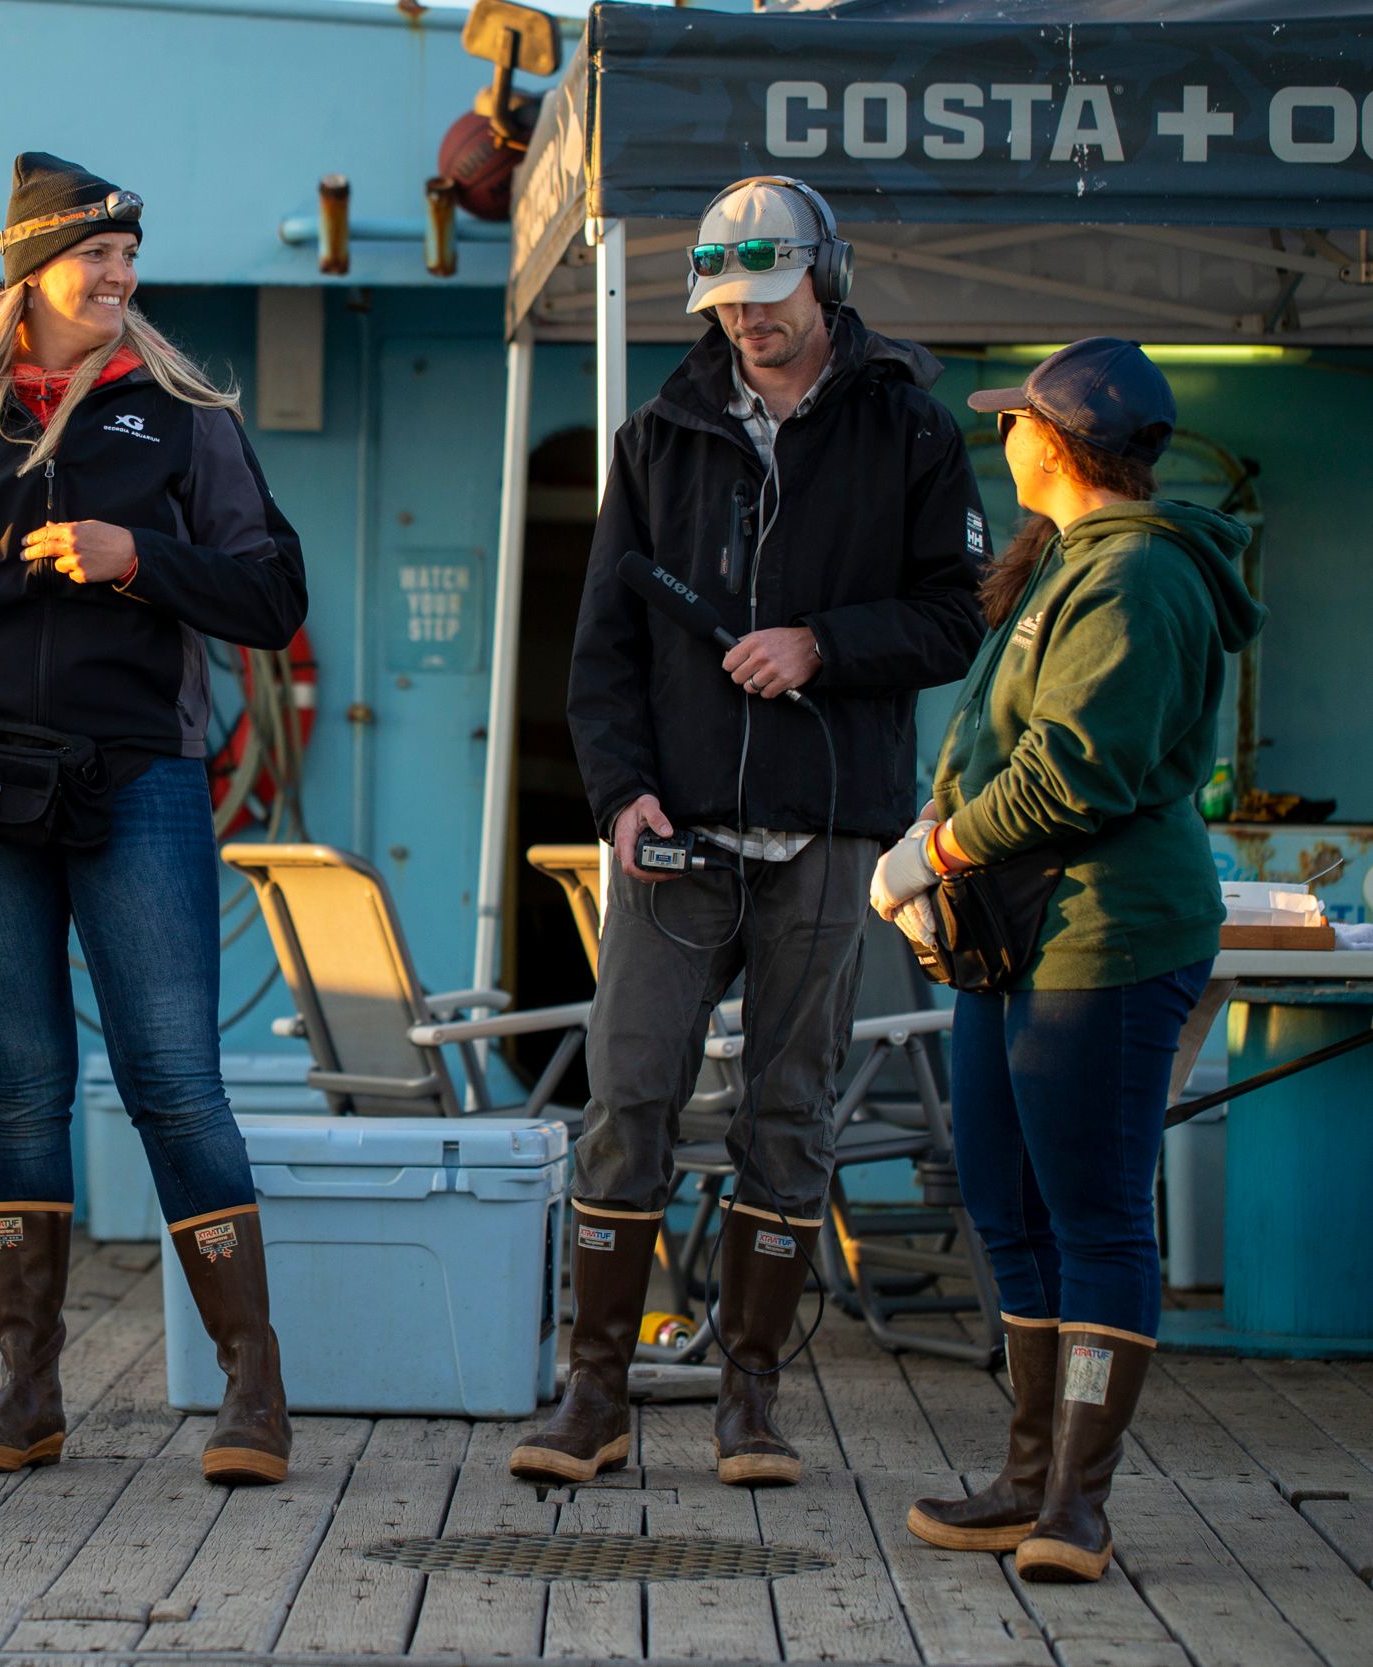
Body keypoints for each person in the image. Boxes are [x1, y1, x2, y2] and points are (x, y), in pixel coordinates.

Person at [0, 153, 308, 1487]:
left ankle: (253, 1385)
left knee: (171, 1074)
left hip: (137, 779)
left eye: (132, 258)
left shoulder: (182, 415)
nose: (122, 279)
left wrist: (139, 557)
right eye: (98, 258)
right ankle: (29, 1387)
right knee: (16, 1081)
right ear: (30, 272)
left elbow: (271, 595)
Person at [527, 177, 987, 1490]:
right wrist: (621, 795)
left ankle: (751, 1398)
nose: (748, 326)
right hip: (678, 843)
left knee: (789, 1116)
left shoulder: (911, 427)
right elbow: (602, 648)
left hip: (833, 833)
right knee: (626, 1098)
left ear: (824, 277)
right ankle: (595, 1392)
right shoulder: (656, 436)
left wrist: (825, 646)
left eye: (768, 297)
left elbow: (957, 614)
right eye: (726, 304)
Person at [887, 339, 1262, 1581]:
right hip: (1018, 938)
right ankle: (1023, 1470)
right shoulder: (1069, 563)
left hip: (1101, 936)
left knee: (1095, 1219)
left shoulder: (1140, 574)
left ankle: (1076, 1504)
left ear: (1051, 441)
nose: (999, 438)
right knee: (1005, 1201)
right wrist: (940, 847)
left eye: (1012, 423)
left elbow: (1074, 771)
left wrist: (933, 850)